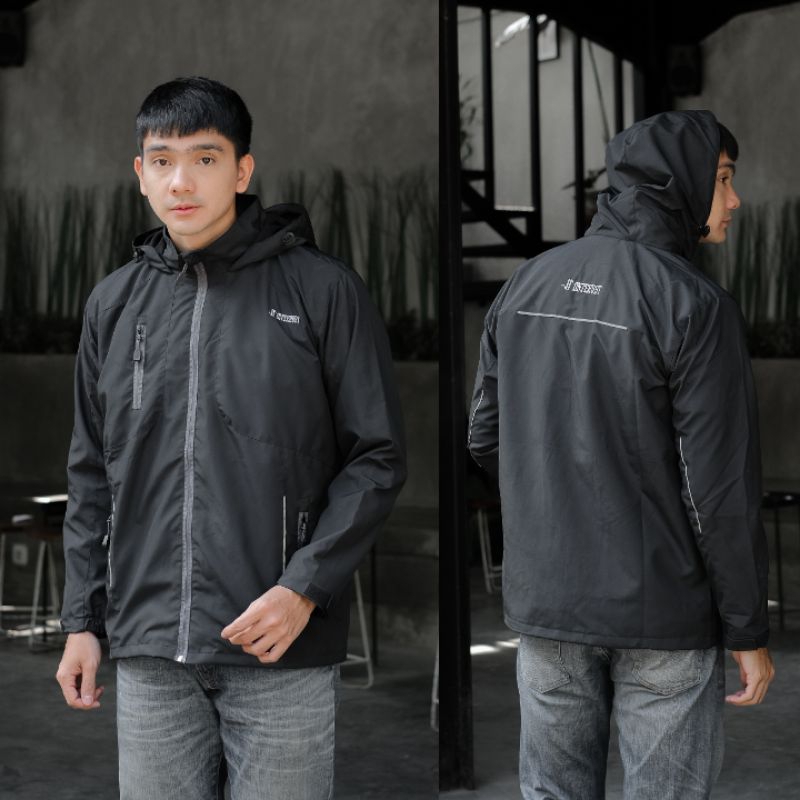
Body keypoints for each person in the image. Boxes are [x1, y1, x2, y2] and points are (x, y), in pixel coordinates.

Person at [55, 76, 406, 800]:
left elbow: (376, 458)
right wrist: (82, 621)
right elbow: (91, 473)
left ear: (243, 171)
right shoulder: (113, 304)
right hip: (150, 650)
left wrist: (303, 589)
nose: (180, 181)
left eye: (205, 159)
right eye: (162, 160)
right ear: (140, 173)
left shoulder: (322, 291)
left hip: (277, 645)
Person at [467, 110, 775, 800]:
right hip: (663, 613)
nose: (734, 200)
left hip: (548, 606)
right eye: (724, 180)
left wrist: (555, 508)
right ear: (683, 182)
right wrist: (747, 630)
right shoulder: (694, 304)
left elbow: (484, 436)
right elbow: (717, 491)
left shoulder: (525, 284)